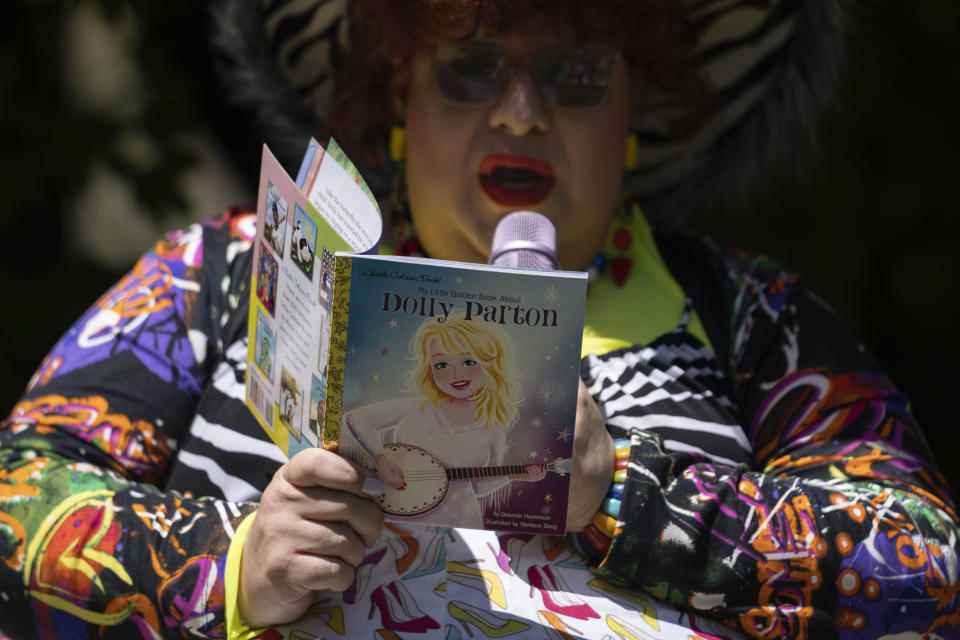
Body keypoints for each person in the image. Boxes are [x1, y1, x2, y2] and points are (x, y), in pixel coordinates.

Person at [0, 0, 957, 639]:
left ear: (638, 110)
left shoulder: (752, 320)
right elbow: (17, 499)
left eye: (577, 75)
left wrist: (622, 495)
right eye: (470, 68)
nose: (519, 114)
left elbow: (929, 570)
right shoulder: (225, 269)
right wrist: (233, 567)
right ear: (398, 97)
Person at [343, 312, 546, 527]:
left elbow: (478, 487)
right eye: (441, 365)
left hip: (459, 524)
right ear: (429, 369)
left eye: (468, 361)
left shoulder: (492, 429)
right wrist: (381, 458)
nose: (456, 374)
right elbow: (358, 418)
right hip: (397, 518)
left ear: (492, 365)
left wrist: (514, 477)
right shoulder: (416, 409)